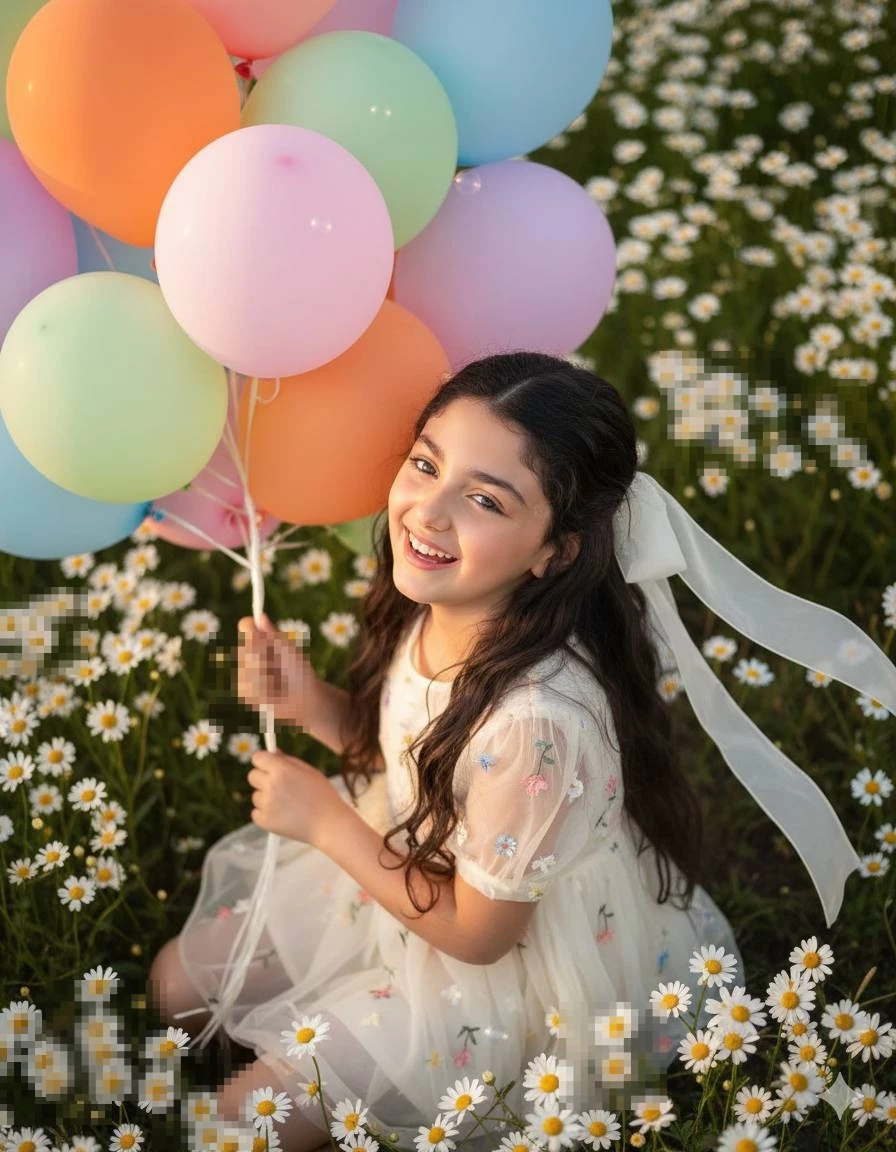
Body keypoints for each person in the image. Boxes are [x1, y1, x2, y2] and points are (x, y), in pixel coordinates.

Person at [150, 351, 743, 1147]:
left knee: (233, 1131)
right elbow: (409, 752)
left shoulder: (538, 723)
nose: (428, 513)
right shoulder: (450, 607)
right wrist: (313, 706)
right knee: (172, 987)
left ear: (555, 551)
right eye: (425, 464)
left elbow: (479, 934)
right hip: (402, 868)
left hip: (494, 974)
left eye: (485, 501)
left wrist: (328, 826)